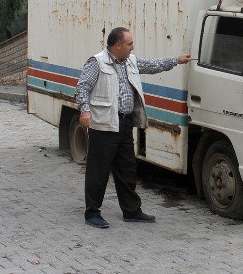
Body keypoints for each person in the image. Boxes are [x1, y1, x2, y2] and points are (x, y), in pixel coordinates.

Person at [75, 27, 191, 229]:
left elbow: (153, 65)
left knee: (127, 169)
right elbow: (82, 88)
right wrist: (84, 111)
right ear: (118, 45)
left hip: (125, 123)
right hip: (104, 125)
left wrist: (176, 60)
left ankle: (131, 211)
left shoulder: (131, 61)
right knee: (98, 171)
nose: (132, 47)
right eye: (129, 43)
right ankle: (92, 213)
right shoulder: (97, 62)